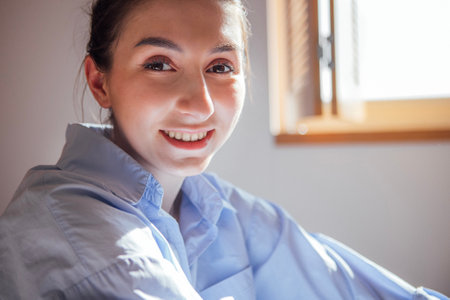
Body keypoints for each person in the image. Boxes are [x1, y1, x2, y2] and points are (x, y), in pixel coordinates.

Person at [0, 0, 447, 299]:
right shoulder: (76, 234)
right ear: (101, 81)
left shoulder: (221, 209)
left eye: (220, 66)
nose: (201, 104)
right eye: (159, 64)